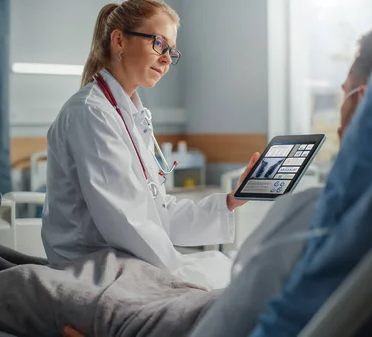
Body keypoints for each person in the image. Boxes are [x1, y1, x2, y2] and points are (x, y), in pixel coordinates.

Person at [188, 21, 372, 337]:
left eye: (345, 95)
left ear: (363, 100)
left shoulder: (309, 214)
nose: (340, 126)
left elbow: (227, 322)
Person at [41, 0, 259, 292]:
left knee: (232, 269)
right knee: (230, 284)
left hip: (122, 263)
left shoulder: (128, 115)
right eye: (159, 44)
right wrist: (179, 275)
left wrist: (231, 200)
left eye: (171, 50)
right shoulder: (91, 113)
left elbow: (159, 213)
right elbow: (126, 222)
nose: (167, 59)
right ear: (119, 40)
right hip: (92, 272)